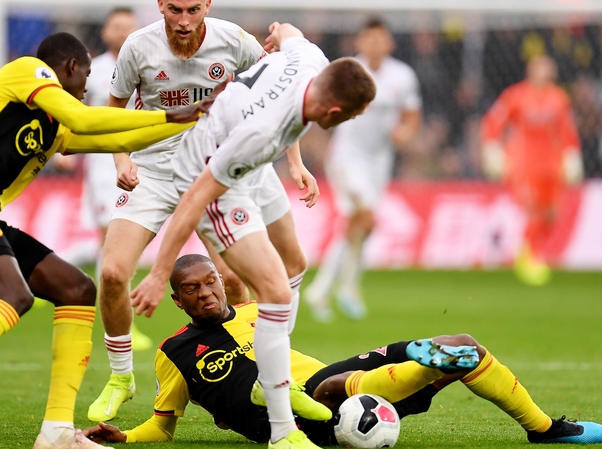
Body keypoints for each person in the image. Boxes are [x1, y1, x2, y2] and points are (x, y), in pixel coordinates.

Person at [0, 31, 212, 449]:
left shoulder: (55, 125)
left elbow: (119, 138)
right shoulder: (27, 72)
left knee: (75, 289)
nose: (88, 86)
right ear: (70, 67)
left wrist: (193, 120)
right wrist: (172, 117)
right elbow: (87, 120)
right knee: (13, 295)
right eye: (87, 74)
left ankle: (56, 431)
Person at [130, 22, 376, 449]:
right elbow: (193, 199)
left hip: (247, 162)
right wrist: (158, 273)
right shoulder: (262, 133)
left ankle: (271, 373)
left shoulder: (309, 60)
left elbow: (289, 33)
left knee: (295, 263)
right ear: (335, 113)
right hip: (207, 173)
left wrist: (278, 32)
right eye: (352, 117)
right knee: (276, 293)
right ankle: (282, 429)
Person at [84, 254, 602, 446]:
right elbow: (163, 425)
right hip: (295, 418)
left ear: (222, 285)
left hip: (328, 382)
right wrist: (125, 438)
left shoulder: (256, 312)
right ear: (176, 300)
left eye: (210, 284)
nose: (205, 293)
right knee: (336, 390)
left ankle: (543, 429)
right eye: (193, 290)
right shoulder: (175, 350)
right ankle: (419, 365)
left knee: (463, 345)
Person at [90, 0, 320, 424]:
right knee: (112, 274)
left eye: (192, 9)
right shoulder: (137, 48)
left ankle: (257, 377)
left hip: (214, 168)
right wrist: (122, 161)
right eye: (174, 9)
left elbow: (278, 93)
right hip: (153, 171)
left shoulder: (234, 40)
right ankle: (121, 377)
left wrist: (295, 162)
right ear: (159, 4)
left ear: (207, 6)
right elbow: (113, 111)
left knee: (233, 281)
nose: (182, 20)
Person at [305, 19, 421, 322]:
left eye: (380, 39)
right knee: (365, 219)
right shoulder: (346, 72)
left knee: (359, 226)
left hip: (379, 162)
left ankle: (330, 288)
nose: (375, 45)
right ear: (359, 42)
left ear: (389, 43)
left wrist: (405, 133)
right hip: (347, 158)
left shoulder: (402, 76)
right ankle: (343, 287)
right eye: (369, 39)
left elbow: (411, 115)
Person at [79, 7, 153, 352]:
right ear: (105, 32)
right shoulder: (93, 72)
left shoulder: (149, 63)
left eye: (129, 26)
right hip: (101, 165)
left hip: (139, 161)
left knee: (111, 238)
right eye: (116, 26)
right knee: (111, 236)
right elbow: (77, 111)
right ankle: (119, 319)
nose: (123, 32)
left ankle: (107, 310)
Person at [481, 55, 582, 286]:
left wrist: (571, 156)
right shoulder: (515, 96)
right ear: (530, 71)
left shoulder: (559, 98)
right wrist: (493, 150)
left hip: (551, 164)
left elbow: (567, 130)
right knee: (534, 209)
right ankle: (528, 256)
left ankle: (530, 252)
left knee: (551, 213)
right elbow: (493, 122)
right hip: (523, 163)